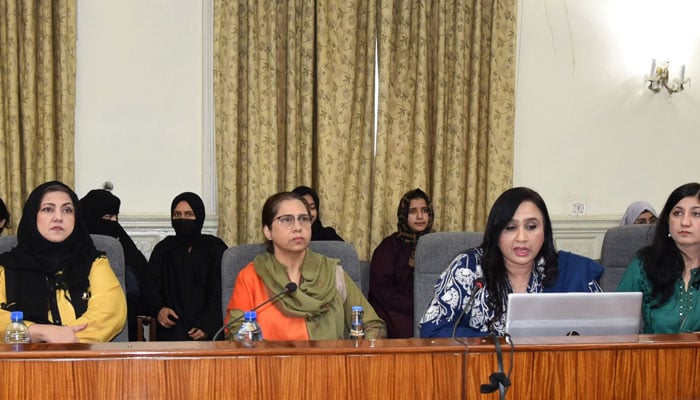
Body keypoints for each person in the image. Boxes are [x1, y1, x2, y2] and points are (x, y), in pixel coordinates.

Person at [419, 187, 604, 338]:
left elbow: (608, 329)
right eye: (510, 228)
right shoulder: (469, 268)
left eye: (531, 227)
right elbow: (432, 328)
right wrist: (497, 344)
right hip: (483, 374)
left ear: (545, 231)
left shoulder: (570, 271)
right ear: (496, 232)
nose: (522, 238)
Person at [225, 191, 385, 340]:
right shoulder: (251, 277)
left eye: (304, 219)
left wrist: (354, 360)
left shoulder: (331, 273)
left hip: (330, 366)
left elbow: (373, 325)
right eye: (286, 220)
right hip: (271, 368)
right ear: (268, 231)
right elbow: (235, 334)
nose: (298, 227)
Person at [0, 181, 126, 342]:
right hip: (19, 363)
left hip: (81, 359)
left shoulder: (93, 262)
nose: (58, 217)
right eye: (48, 209)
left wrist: (68, 339)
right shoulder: (6, 266)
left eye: (67, 210)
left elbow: (110, 312)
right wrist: (36, 331)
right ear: (33, 216)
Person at [617, 182, 700, 333]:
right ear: (668, 221)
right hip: (653, 356)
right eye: (677, 213)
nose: (685, 222)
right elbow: (615, 321)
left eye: (696, 214)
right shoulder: (644, 265)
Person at [142, 192, 227, 340]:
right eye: (177, 214)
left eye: (188, 214)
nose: (182, 219)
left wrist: (209, 324)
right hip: (171, 330)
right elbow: (150, 287)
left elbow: (222, 293)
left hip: (209, 333)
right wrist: (159, 309)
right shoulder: (164, 249)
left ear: (199, 217)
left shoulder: (215, 248)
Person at [80, 186, 149, 341]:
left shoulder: (121, 244)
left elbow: (141, 279)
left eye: (116, 218)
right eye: (107, 217)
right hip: (85, 331)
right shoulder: (74, 249)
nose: (113, 223)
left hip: (126, 328)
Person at [368, 188, 434, 338]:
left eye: (424, 211)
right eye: (412, 211)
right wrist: (414, 306)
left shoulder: (436, 246)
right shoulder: (389, 246)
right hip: (394, 310)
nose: (419, 216)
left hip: (430, 309)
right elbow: (381, 289)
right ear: (404, 214)